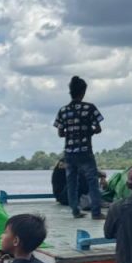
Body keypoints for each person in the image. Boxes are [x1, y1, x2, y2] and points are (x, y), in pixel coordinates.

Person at [53, 75, 104, 220]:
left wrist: (71, 133)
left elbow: (60, 133)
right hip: (85, 151)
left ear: (70, 92)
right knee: (92, 181)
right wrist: (88, 132)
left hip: (69, 152)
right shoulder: (90, 108)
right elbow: (98, 129)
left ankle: (75, 211)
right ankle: (96, 213)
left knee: (71, 182)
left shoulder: (63, 111)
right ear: (83, 92)